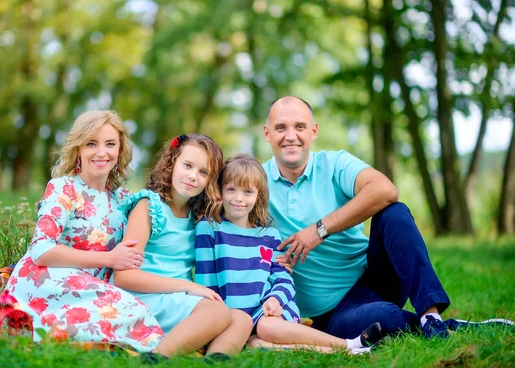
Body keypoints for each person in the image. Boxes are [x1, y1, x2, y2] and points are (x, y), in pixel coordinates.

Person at [262, 95, 458, 340]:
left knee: (394, 212)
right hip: (334, 312)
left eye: (299, 127)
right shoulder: (255, 183)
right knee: (385, 319)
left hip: (374, 277)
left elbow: (385, 190)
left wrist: (319, 230)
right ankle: (444, 326)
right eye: (281, 127)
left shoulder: (334, 163)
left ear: (313, 131)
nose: (291, 136)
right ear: (267, 133)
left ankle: (431, 316)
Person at [4, 110, 163, 351]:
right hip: (48, 279)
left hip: (91, 287)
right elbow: (41, 250)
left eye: (110, 144)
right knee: (132, 310)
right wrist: (110, 258)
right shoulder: (62, 188)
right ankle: (25, 325)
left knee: (136, 309)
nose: (102, 153)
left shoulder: (125, 200)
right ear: (78, 149)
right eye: (91, 144)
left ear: (119, 150)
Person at [195, 153, 382, 353]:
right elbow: (206, 284)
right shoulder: (209, 228)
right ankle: (352, 350)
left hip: (268, 312)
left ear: (258, 195)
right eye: (231, 189)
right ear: (220, 191)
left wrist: (276, 299)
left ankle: (347, 343)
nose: (238, 198)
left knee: (267, 327)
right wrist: (216, 322)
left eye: (248, 192)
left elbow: (283, 278)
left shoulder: (269, 235)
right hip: (231, 318)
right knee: (255, 345)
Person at [112, 134, 253, 361]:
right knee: (216, 311)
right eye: (187, 165)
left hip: (175, 300)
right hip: (144, 297)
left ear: (210, 180)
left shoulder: (196, 217)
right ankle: (156, 357)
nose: (192, 177)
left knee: (242, 319)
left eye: (203, 172)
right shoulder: (148, 207)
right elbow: (123, 276)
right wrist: (187, 287)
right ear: (171, 163)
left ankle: (214, 360)